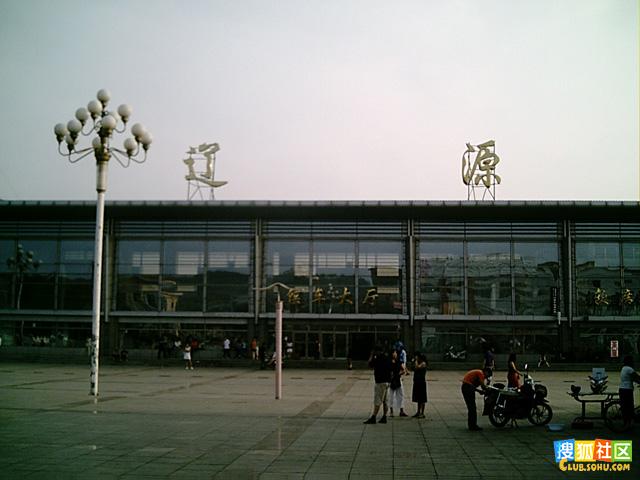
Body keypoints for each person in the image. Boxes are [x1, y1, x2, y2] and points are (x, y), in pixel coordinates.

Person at [363, 345, 392, 424]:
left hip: (380, 382)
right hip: (387, 381)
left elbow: (369, 364)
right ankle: (384, 416)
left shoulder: (378, 358)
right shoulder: (387, 358)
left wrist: (371, 355)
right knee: (385, 400)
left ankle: (374, 417)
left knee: (378, 400)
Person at [619, 355, 640, 429]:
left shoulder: (624, 368)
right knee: (629, 407)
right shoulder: (629, 369)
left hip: (622, 389)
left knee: (625, 407)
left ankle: (626, 423)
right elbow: (636, 377)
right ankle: (628, 423)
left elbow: (633, 378)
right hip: (627, 389)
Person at [389, 350, 409, 417]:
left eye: (395, 353)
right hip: (391, 380)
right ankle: (391, 411)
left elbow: (403, 369)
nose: (395, 354)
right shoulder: (389, 362)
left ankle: (401, 410)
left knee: (400, 395)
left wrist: (402, 372)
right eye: (394, 353)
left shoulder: (399, 361)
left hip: (398, 379)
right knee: (391, 396)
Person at [411, 352, 428, 419]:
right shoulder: (417, 363)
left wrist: (415, 361)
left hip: (421, 382)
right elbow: (413, 368)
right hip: (417, 382)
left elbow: (417, 367)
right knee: (418, 398)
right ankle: (418, 412)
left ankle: (422, 413)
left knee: (422, 398)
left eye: (417, 357)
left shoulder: (423, 363)